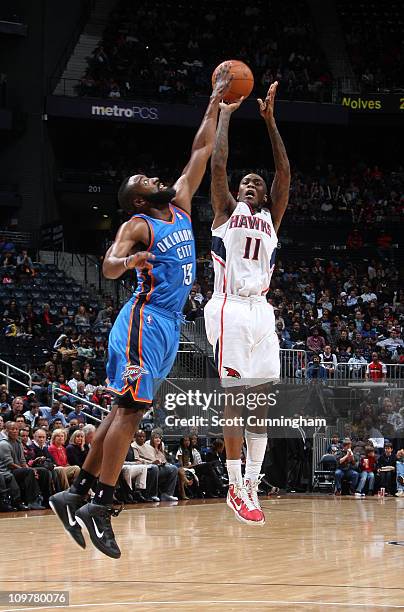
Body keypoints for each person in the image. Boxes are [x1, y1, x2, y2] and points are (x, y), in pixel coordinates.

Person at [49, 66, 232, 557]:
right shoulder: (136, 224)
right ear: (136, 197)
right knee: (130, 411)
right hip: (143, 319)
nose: (155, 177)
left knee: (122, 409)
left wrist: (215, 102)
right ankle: (101, 505)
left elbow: (199, 150)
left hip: (169, 325)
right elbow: (108, 267)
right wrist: (127, 260)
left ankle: (76, 491)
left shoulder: (180, 202)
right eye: (144, 179)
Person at [204, 80, 290, 525]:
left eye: (257, 182)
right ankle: (234, 483)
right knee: (235, 395)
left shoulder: (271, 220)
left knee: (262, 401)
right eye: (246, 182)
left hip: (261, 312)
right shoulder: (225, 213)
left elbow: (285, 176)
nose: (251, 184)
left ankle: (252, 483)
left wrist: (271, 122)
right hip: (229, 306)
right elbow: (218, 166)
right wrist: (226, 115)